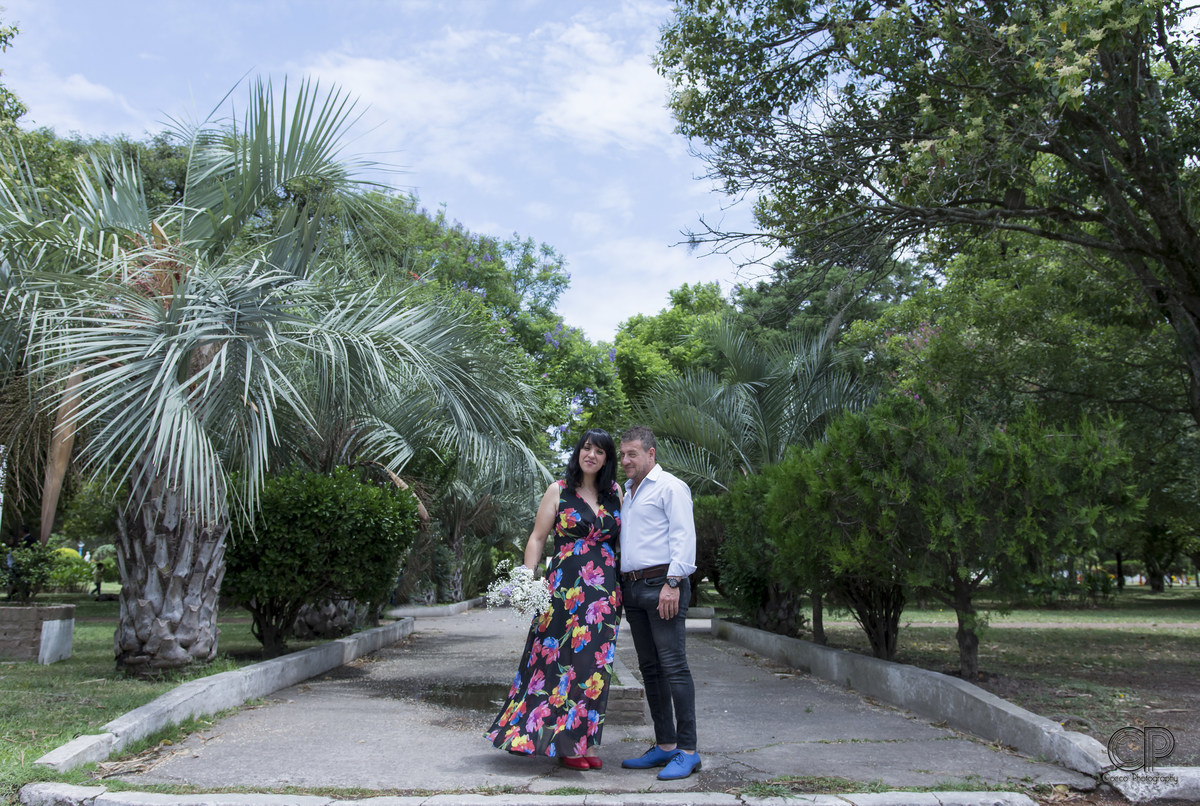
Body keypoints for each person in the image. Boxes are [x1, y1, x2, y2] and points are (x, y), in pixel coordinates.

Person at [486, 429, 623, 770]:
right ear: (578, 452)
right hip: (563, 592)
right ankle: (563, 745)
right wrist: (524, 581)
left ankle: (583, 740)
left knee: (594, 668)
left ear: (607, 459)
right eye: (586, 448)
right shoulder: (559, 491)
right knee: (556, 663)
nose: (590, 454)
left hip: (603, 595)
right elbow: (537, 538)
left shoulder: (615, 493)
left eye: (599, 451)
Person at [617, 425, 702, 780]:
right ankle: (665, 746)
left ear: (651, 454)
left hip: (662, 584)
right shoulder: (629, 492)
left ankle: (688, 750)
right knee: (650, 669)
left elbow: (684, 536)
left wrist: (673, 582)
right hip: (634, 589)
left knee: (673, 666)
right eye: (622, 455)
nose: (625, 461)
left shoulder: (670, 487)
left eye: (632, 454)